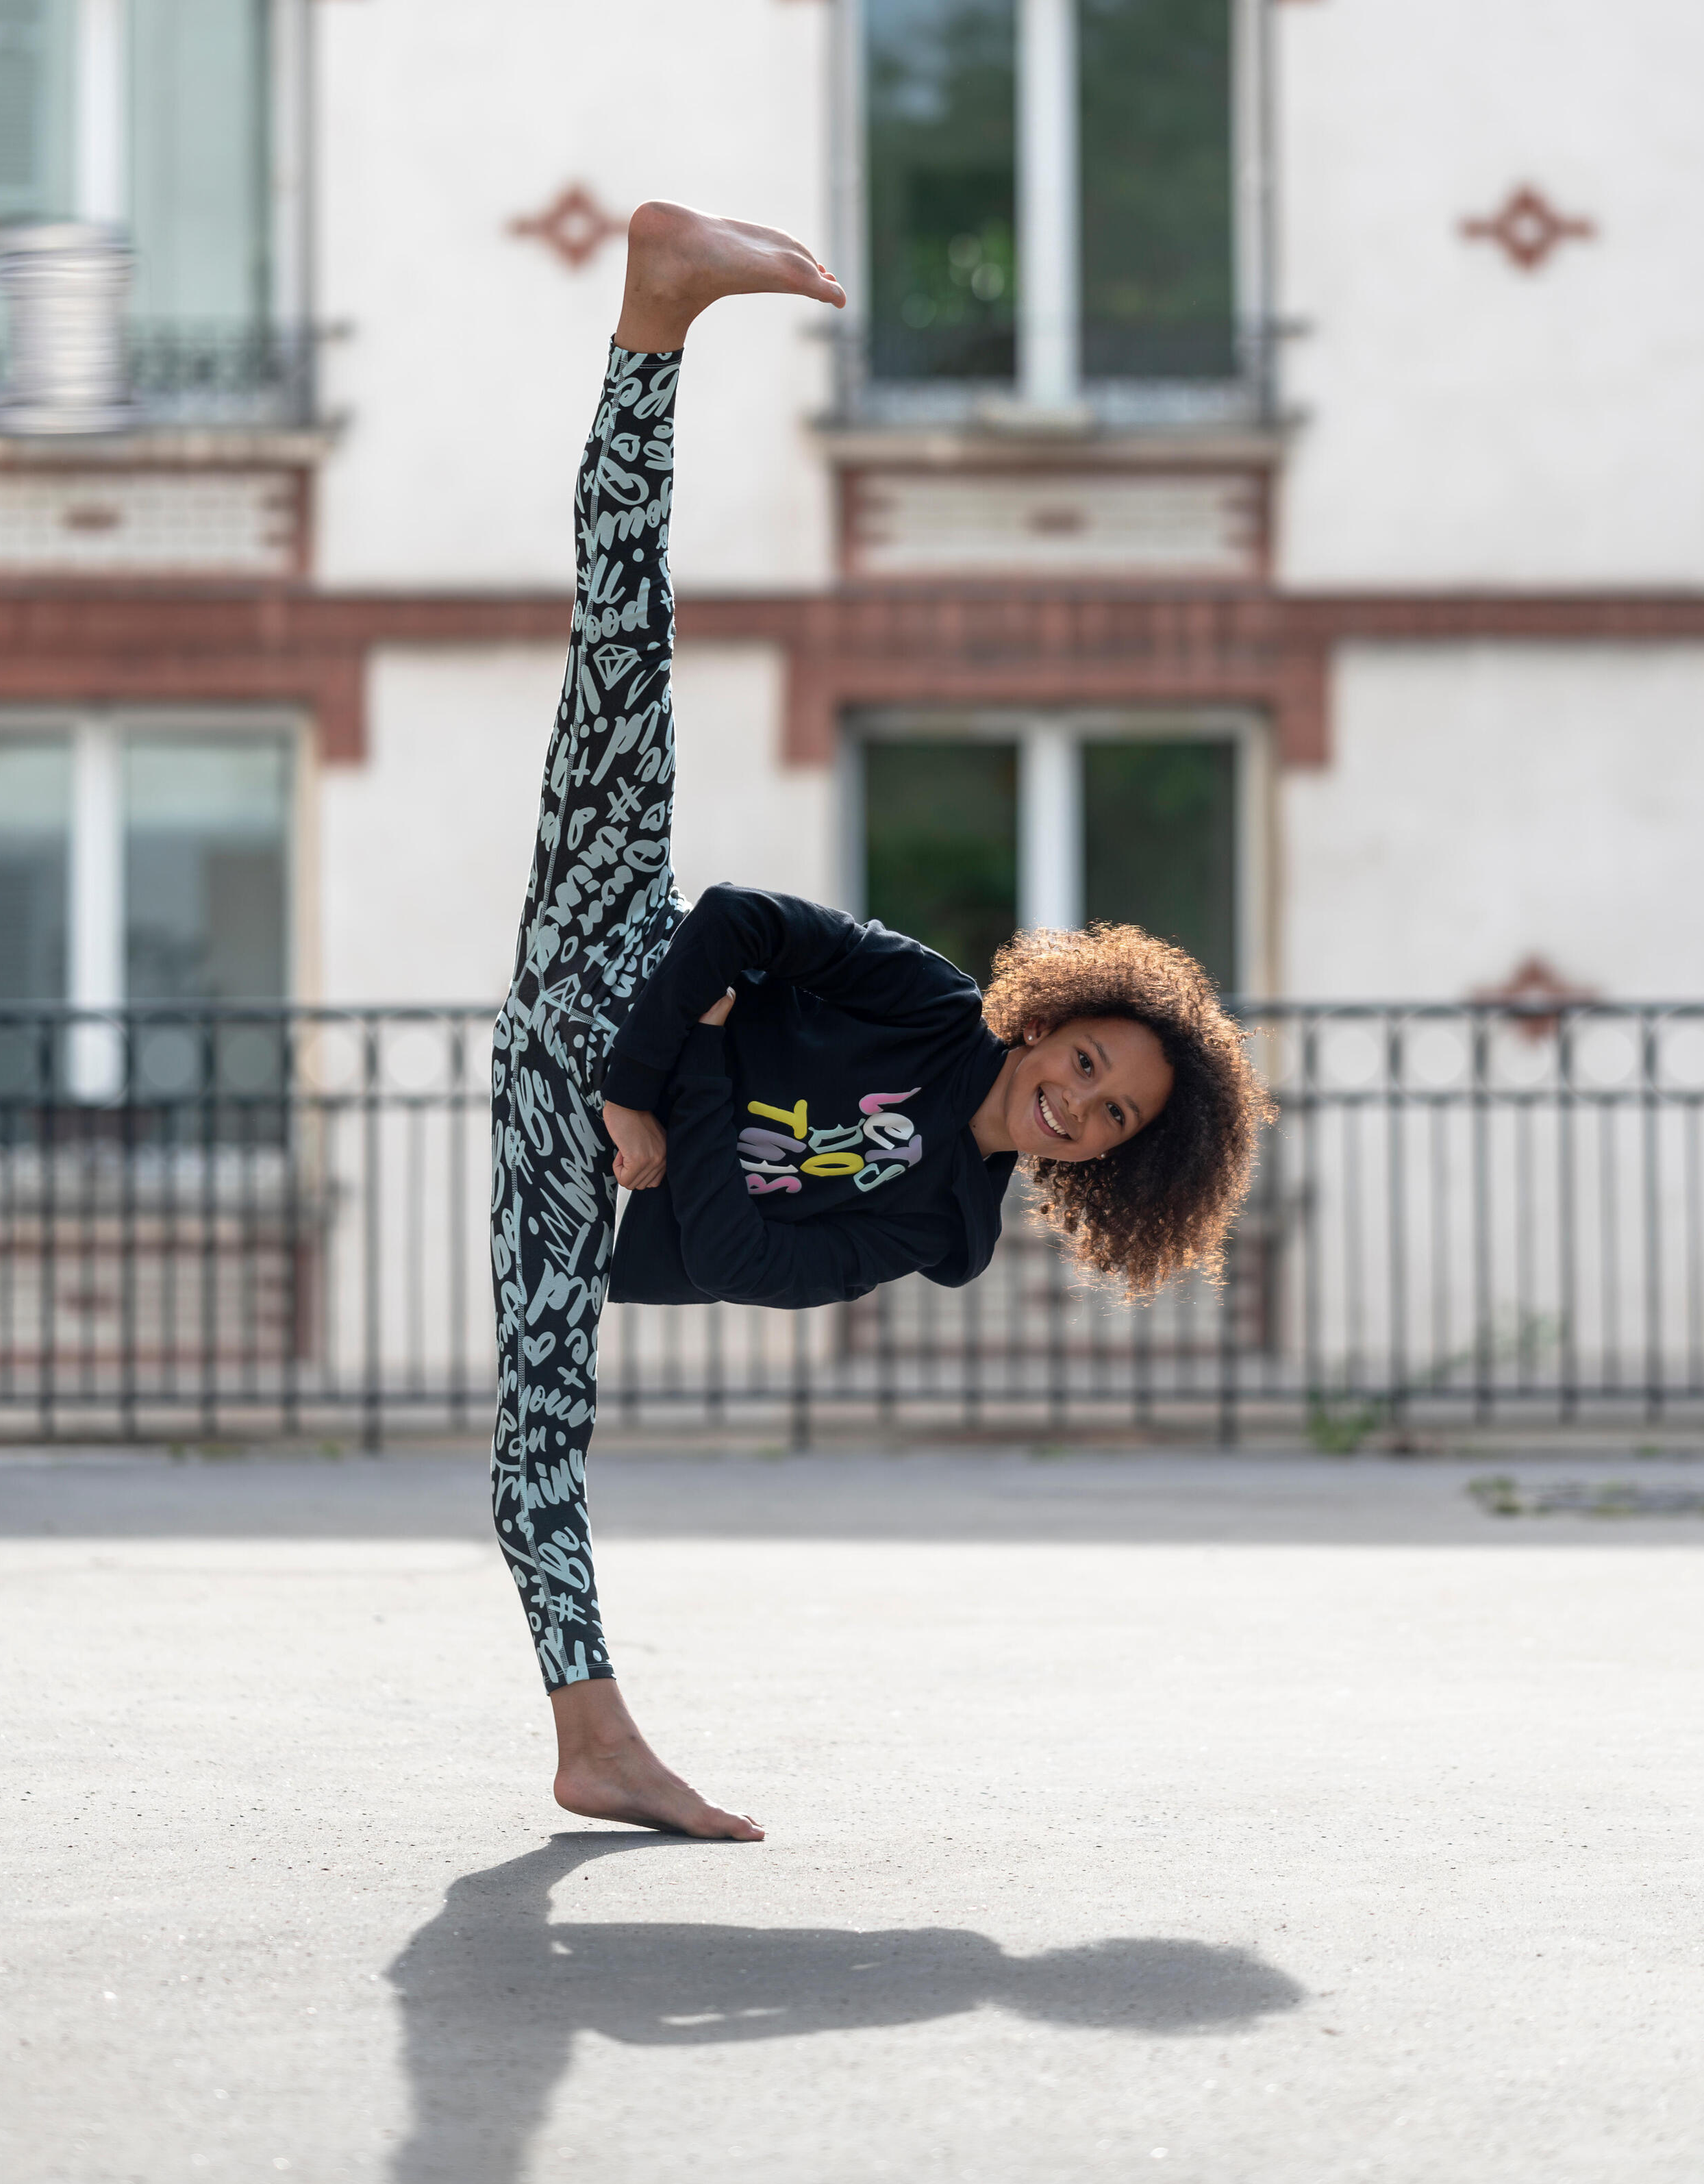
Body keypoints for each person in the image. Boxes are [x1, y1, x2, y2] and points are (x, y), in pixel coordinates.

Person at [491, 201, 1269, 1839]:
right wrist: (657, 1080)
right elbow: (732, 925)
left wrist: (658, 1099)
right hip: (607, 950)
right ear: (1055, 1021)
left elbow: (761, 1264)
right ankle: (659, 319)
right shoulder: (928, 1001)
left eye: (1110, 1115)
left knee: (537, 1439)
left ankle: (595, 1741)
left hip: (572, 1152)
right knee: (623, 643)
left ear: (1111, 1166)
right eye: (1086, 1061)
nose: (1077, 1099)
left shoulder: (944, 1225)